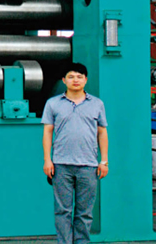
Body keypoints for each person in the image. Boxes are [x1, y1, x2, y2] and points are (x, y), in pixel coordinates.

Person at [42, 62, 108, 244]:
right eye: (71, 77)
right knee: (62, 211)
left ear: (85, 80)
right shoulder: (53, 104)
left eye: (79, 76)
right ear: (64, 80)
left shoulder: (97, 104)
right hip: (61, 166)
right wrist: (47, 160)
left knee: (84, 212)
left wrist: (104, 161)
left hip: (88, 166)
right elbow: (47, 132)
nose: (75, 80)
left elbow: (102, 132)